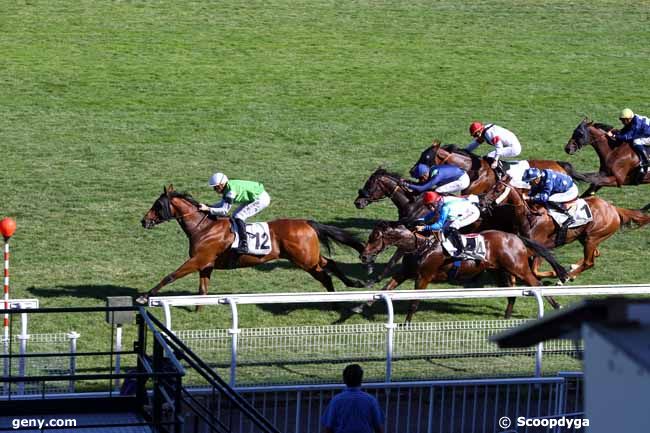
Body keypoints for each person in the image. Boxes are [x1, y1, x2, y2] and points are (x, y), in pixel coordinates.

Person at [198, 172, 271, 253]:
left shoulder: (230, 192)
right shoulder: (227, 187)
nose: (215, 189)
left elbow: (224, 211)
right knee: (235, 215)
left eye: (216, 187)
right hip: (254, 198)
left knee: (239, 216)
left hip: (260, 199)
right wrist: (209, 206)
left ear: (222, 184)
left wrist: (208, 209)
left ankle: (244, 245)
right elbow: (222, 204)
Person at [522, 168, 579, 245]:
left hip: (570, 191)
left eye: (530, 182)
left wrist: (529, 198)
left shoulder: (547, 181)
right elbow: (533, 191)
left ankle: (568, 216)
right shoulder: (539, 178)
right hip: (561, 188)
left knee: (550, 200)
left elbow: (544, 198)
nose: (529, 184)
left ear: (536, 180)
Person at [321, 364, 385, 433]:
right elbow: (378, 427)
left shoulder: (336, 400)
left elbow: (328, 427)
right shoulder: (371, 400)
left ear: (344, 380)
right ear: (361, 380)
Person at [415, 191, 481, 256]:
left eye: (429, 206)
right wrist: (419, 220)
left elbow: (438, 225)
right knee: (443, 231)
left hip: (472, 213)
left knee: (452, 227)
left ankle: (461, 249)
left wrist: (424, 227)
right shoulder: (440, 201)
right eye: (427, 206)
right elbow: (431, 214)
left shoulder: (445, 208)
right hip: (460, 212)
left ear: (434, 202)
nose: (429, 208)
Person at [607, 108, 650, 172]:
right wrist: (617, 132)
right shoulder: (633, 119)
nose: (622, 122)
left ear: (628, 119)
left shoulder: (636, 124)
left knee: (636, 141)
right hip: (646, 132)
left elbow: (628, 137)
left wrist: (614, 136)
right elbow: (625, 130)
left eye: (623, 120)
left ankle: (646, 162)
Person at [405, 163, 470, 195]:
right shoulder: (431, 170)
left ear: (424, 175)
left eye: (420, 178)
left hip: (462, 181)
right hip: (458, 175)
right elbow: (423, 185)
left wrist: (407, 184)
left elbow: (422, 188)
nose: (421, 180)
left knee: (438, 190)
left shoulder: (437, 175)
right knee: (435, 189)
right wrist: (409, 183)